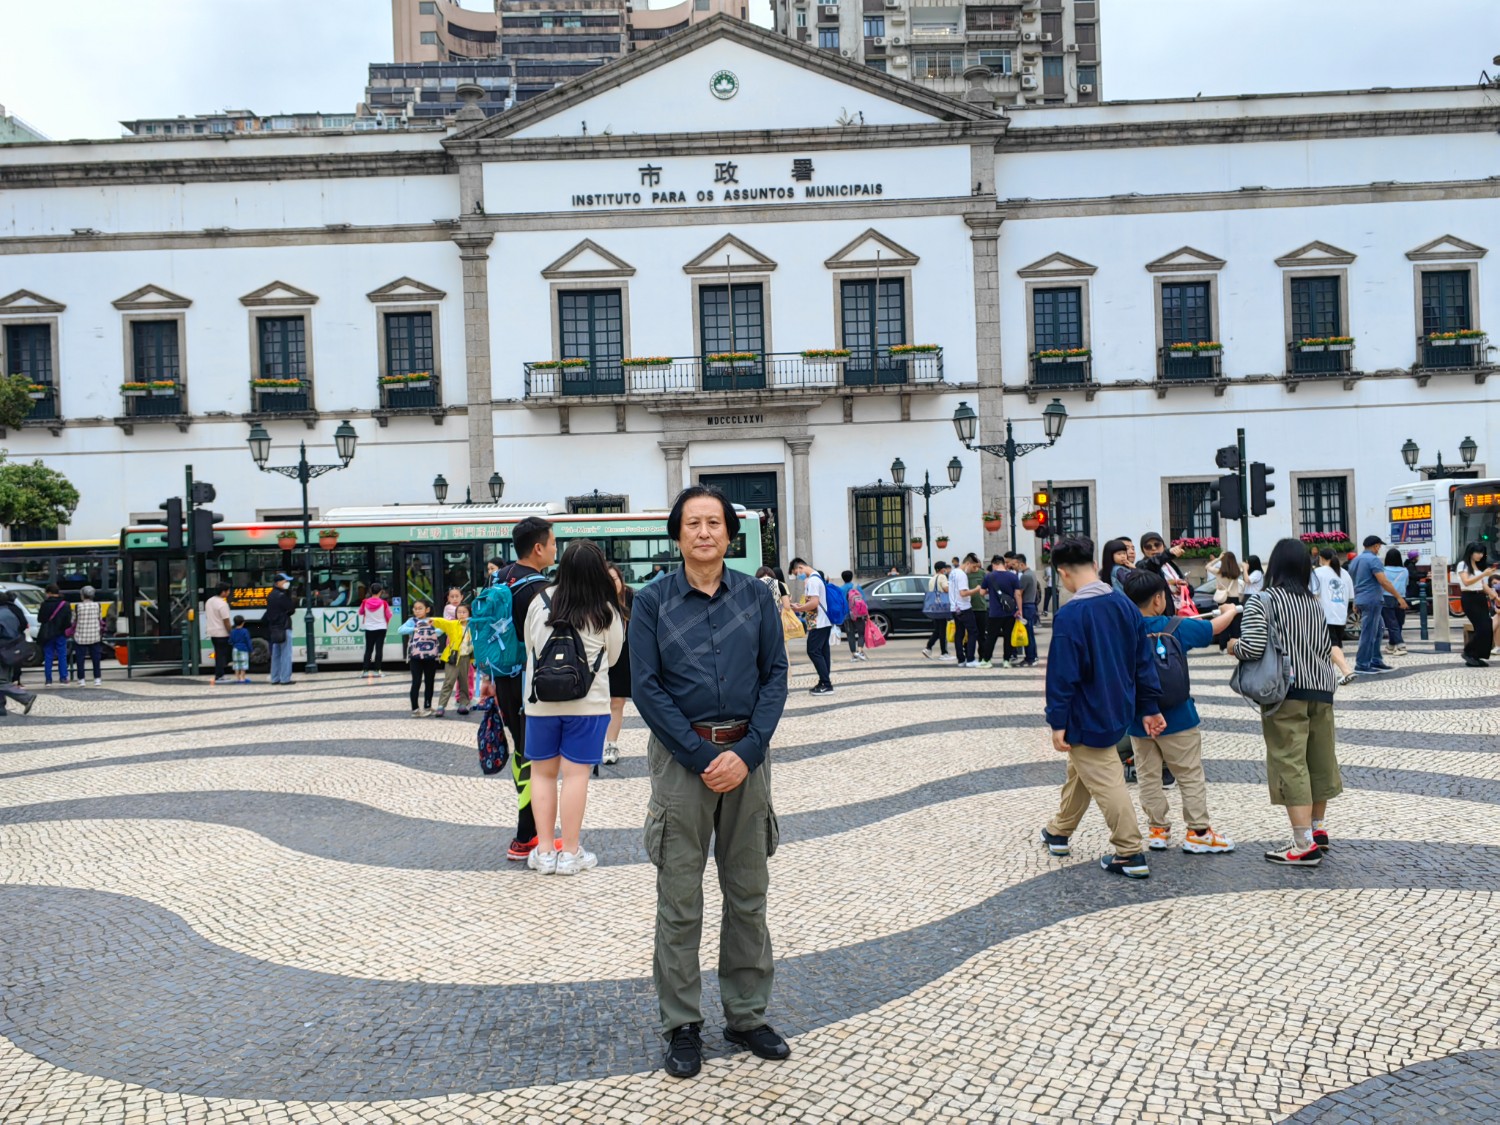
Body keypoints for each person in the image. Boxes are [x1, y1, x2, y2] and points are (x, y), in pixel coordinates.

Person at [630, 485, 791, 1080]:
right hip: (682, 762)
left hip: (747, 758)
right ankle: (681, 1023)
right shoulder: (651, 603)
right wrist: (700, 755)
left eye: (714, 523)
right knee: (680, 897)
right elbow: (646, 687)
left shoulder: (755, 596)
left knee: (748, 892)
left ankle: (746, 1015)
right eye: (693, 523)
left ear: (730, 535)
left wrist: (747, 752)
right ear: (678, 535)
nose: (704, 532)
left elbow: (775, 676)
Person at [1039, 536, 1165, 879]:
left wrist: (1057, 721)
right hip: (1118, 706)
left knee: (1106, 778)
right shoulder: (1124, 605)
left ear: (1062, 573)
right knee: (1081, 770)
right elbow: (1143, 659)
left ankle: (1130, 852)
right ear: (1095, 565)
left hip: (1085, 713)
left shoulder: (1071, 614)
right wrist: (1149, 705)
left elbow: (1062, 674)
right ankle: (1058, 831)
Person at [1230, 538, 1342, 866]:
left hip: (1286, 692)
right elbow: (1326, 647)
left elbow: (1252, 647)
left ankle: (1302, 843)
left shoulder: (1263, 600)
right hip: (1322, 689)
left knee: (1291, 762)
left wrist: (1232, 646)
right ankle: (1318, 829)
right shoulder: (1313, 603)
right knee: (1319, 759)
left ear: (1274, 566)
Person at [523, 539, 624, 876]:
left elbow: (530, 647)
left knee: (542, 773)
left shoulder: (540, 602)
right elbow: (613, 656)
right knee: (576, 775)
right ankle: (569, 853)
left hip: (541, 703)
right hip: (588, 704)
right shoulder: (605, 609)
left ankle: (544, 852)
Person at [1120, 570, 1239, 854]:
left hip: (1139, 720)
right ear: (1158, 599)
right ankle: (1198, 832)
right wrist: (1232, 610)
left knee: (1147, 776)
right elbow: (1213, 629)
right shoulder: (1174, 627)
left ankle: (1157, 830)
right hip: (1178, 717)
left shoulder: (1120, 633)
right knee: (1189, 774)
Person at [496, 517, 558, 861]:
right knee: (533, 758)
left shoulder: (500, 577)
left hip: (503, 678)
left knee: (522, 753)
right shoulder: (539, 590)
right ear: (537, 548)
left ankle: (529, 830)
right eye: (552, 543)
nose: (555, 549)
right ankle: (525, 836)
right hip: (529, 684)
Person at [1347, 535, 1407, 675]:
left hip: (1362, 599)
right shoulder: (1374, 560)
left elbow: (1355, 582)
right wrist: (1399, 597)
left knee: (1379, 630)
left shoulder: (1355, 560)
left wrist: (1355, 599)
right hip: (1372, 600)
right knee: (1369, 633)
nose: (1379, 549)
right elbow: (1383, 581)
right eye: (1379, 546)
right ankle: (1362, 664)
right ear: (1375, 546)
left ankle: (1375, 660)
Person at [603, 562, 635, 764]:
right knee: (599, 703)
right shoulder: (596, 601)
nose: (610, 584)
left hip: (626, 656)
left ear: (620, 580)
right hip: (602, 656)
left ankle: (611, 744)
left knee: (617, 701)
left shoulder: (633, 598)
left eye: (613, 579)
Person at [788, 558, 833, 694]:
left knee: (813, 651)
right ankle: (824, 681)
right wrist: (802, 606)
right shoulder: (818, 577)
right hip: (824, 621)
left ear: (800, 567)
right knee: (823, 652)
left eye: (796, 573)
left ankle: (826, 683)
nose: (798, 576)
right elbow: (814, 603)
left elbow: (814, 603)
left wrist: (799, 609)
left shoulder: (812, 581)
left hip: (818, 622)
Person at [1312, 548, 1357, 685]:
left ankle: (1346, 671)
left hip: (1324, 614)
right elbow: (1351, 595)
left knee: (1331, 645)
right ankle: (1328, 676)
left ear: (1321, 558)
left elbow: (1313, 594)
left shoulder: (1318, 572)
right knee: (1334, 645)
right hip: (1341, 615)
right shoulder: (1344, 573)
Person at [398, 597, 446, 716]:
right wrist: (414, 629)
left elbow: (441, 630)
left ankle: (428, 706)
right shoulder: (412, 621)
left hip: (430, 657)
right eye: (415, 609)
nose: (417, 611)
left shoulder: (433, 621)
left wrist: (428, 629)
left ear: (427, 609)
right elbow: (400, 630)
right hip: (416, 657)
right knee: (416, 682)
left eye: (420, 608)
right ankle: (415, 709)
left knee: (430, 682)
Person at [1455, 542, 1497, 667]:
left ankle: (1476, 655)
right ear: (1471, 552)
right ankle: (1468, 652)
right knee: (1482, 627)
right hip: (1469, 598)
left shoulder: (1478, 566)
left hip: (1480, 597)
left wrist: (1495, 596)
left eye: (1482, 553)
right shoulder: (1463, 565)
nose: (1480, 555)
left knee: (1487, 626)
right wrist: (1484, 574)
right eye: (1478, 552)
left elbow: (1482, 585)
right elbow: (1466, 582)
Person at [432, 603, 474, 718]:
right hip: (453, 657)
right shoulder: (453, 624)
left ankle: (464, 703)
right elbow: (443, 622)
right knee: (449, 681)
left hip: (466, 657)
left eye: (464, 612)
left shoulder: (472, 626)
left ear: (469, 614)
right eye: (459, 612)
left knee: (464, 682)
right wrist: (433, 621)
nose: (461, 614)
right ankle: (441, 706)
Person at [0, 592, 37, 716]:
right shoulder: (11, 612)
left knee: (1, 682)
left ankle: (26, 697)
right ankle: (0, 708)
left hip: (2, 649)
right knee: (4, 679)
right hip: (11, 649)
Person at [979, 555, 1019, 668]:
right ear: (1003, 563)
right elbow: (1018, 594)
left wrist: (991, 591)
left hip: (995, 613)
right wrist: (1019, 609)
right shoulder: (1013, 576)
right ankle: (1006, 660)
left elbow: (981, 593)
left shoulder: (989, 576)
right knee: (1008, 637)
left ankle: (987, 660)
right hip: (1010, 612)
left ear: (994, 564)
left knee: (991, 637)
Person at [264, 574, 297, 685]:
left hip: (274, 628)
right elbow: (291, 609)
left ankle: (275, 678)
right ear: (278, 583)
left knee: (276, 654)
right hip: (284, 627)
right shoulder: (282, 596)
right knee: (286, 654)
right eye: (285, 581)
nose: (287, 583)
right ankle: (285, 678)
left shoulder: (271, 595)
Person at [37, 584, 71, 687]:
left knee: (48, 656)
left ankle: (48, 680)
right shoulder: (65, 604)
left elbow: (40, 619)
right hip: (60, 633)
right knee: (62, 655)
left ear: (49, 593)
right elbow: (68, 622)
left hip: (47, 634)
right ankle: (63, 678)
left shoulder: (44, 604)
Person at [951, 555, 983, 668]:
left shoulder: (953, 572)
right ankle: (970, 659)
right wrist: (977, 589)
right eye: (974, 567)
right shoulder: (962, 575)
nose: (974, 570)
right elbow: (963, 593)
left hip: (954, 607)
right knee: (973, 632)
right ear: (968, 563)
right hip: (964, 607)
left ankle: (961, 659)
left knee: (959, 633)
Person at [72, 585, 105, 686]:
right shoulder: (98, 606)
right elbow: (100, 619)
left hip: (80, 636)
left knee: (80, 659)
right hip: (95, 635)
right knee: (96, 658)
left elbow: (73, 621)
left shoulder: (78, 606)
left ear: (82, 595)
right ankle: (97, 679)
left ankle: (81, 679)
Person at [1381, 548, 1411, 658]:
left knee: (1391, 623)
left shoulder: (1383, 570)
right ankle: (1391, 645)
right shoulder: (1405, 571)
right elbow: (1406, 584)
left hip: (1386, 596)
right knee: (1399, 622)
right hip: (1401, 598)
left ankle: (1400, 645)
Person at [1013, 553, 1041, 667]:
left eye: (1015, 564)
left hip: (1026, 606)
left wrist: (1019, 609)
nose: (1014, 567)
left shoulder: (1025, 576)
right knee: (1029, 633)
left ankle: (1030, 658)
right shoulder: (1032, 574)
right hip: (1031, 605)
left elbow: (1019, 594)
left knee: (1027, 633)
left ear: (1021, 564)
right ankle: (1033, 656)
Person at [922, 561, 954, 661]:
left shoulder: (932, 578)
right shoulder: (942, 577)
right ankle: (944, 652)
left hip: (934, 607)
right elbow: (946, 589)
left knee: (938, 629)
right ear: (942, 569)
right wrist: (953, 588)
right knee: (942, 630)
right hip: (942, 606)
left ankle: (928, 648)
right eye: (945, 568)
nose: (946, 570)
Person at [359, 582, 391, 678]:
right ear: (381, 592)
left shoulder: (365, 602)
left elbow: (360, 612)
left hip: (369, 628)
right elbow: (389, 615)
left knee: (368, 649)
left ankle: (365, 670)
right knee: (379, 649)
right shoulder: (384, 603)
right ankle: (377, 670)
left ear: (370, 591)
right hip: (381, 628)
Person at [204, 583, 233, 682]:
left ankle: (219, 674)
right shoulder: (223, 604)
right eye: (228, 591)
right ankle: (220, 675)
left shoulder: (209, 601)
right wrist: (231, 632)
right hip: (222, 633)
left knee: (218, 654)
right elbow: (226, 621)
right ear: (223, 592)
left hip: (212, 632)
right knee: (222, 655)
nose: (229, 592)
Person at [840, 570, 870, 662]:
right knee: (861, 633)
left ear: (842, 578)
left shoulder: (840, 589)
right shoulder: (857, 587)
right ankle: (860, 651)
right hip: (858, 614)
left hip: (846, 615)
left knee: (850, 635)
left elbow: (840, 603)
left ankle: (854, 655)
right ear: (852, 577)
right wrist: (866, 614)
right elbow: (863, 601)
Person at [229, 615, 252, 684]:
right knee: (243, 664)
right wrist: (250, 649)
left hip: (235, 649)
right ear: (243, 623)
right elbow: (248, 641)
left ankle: (238, 678)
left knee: (236, 664)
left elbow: (230, 641)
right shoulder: (245, 631)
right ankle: (242, 678)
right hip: (243, 649)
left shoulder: (232, 631)